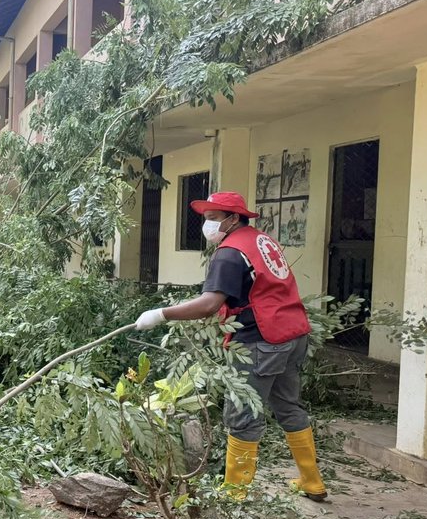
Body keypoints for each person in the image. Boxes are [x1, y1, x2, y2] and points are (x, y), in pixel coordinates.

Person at [133, 191, 326, 502]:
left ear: (234, 218)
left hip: (260, 341)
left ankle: (234, 494)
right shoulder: (262, 241)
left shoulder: (229, 253)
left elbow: (209, 304)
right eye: (206, 218)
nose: (207, 225)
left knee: (242, 414)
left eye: (213, 218)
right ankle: (312, 481)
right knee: (288, 406)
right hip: (292, 334)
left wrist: (162, 314)